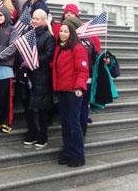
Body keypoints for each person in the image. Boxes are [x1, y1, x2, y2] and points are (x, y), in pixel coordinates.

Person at [53, 21, 89, 167]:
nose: (62, 34)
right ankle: (67, 153)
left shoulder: (78, 48)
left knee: (74, 124)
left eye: (66, 31)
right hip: (62, 90)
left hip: (74, 91)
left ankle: (78, 155)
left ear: (72, 33)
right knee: (65, 124)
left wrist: (79, 87)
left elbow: (83, 70)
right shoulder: (60, 48)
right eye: (61, 31)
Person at [22, 9, 55, 149]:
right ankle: (32, 132)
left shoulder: (48, 37)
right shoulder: (26, 33)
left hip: (41, 76)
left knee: (41, 109)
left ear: (43, 21)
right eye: (33, 18)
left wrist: (32, 61)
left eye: (36, 19)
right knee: (27, 107)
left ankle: (43, 136)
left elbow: (49, 55)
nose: (33, 21)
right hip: (26, 75)